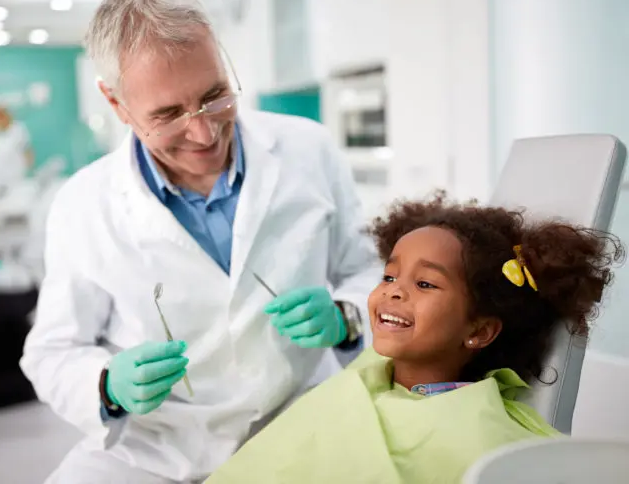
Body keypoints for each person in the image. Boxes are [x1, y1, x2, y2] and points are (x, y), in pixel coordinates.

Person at [19, 0, 378, 484]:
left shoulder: (309, 150)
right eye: (167, 115)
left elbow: (366, 270)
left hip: (300, 418)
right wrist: (106, 387)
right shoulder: (84, 205)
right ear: (117, 104)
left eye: (214, 96)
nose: (204, 133)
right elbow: (52, 352)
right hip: (157, 449)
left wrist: (347, 315)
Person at [205, 192, 623, 483]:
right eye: (389, 275)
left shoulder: (478, 429)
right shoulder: (369, 375)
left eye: (425, 284)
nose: (393, 290)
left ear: (478, 331)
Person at [0, 105, 33, 191]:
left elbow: (28, 151)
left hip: (16, 175)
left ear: (4, 116)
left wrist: (28, 172)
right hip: (0, 178)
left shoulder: (18, 129)